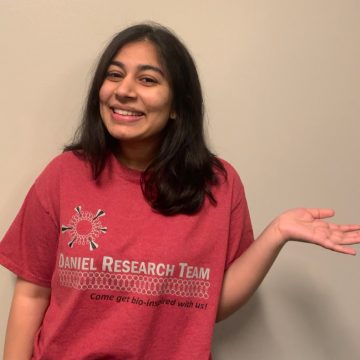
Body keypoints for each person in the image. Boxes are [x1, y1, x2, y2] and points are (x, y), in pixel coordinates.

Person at [0, 22, 359, 360]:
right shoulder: (65, 175)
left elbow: (207, 304)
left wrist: (277, 233)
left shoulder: (217, 183)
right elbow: (31, 293)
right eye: (114, 74)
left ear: (177, 106)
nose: (124, 90)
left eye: (147, 79)